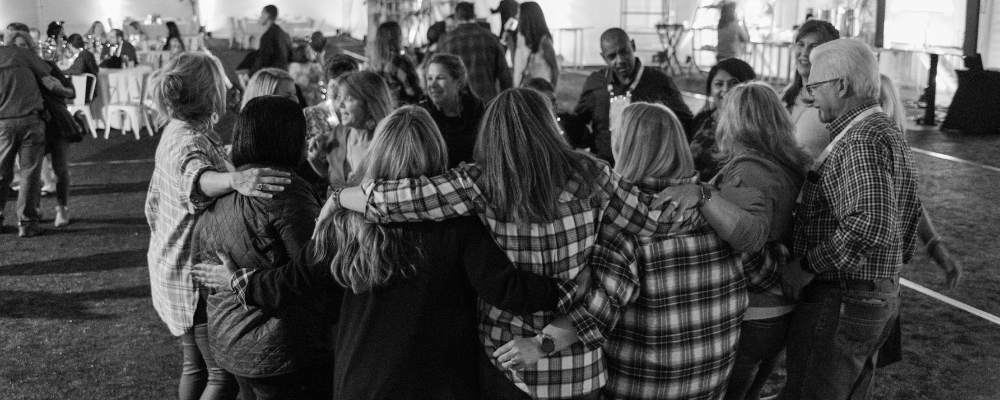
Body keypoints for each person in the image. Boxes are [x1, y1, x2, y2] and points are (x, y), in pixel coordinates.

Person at [328, 88, 758, 399]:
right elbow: (654, 222)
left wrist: (341, 196)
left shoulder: (479, 183)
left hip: (505, 362)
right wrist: (700, 194)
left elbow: (403, 201)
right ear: (550, 126)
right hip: (579, 370)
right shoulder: (594, 175)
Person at [193, 105, 584, 399]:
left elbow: (298, 278)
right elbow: (508, 290)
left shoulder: (347, 221)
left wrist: (237, 281)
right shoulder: (458, 226)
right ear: (437, 153)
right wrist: (572, 285)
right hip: (435, 384)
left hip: (361, 378)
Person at [493, 101, 766, 400]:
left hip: (642, 386)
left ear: (626, 146)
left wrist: (538, 344)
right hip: (710, 384)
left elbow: (600, 309)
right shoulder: (719, 210)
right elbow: (762, 268)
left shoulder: (627, 226)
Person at [777, 38, 922, 400]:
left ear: (841, 85)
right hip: (874, 294)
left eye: (814, 86)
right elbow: (907, 214)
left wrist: (808, 264)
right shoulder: (884, 130)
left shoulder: (860, 139)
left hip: (844, 297)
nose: (810, 96)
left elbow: (871, 222)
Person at [144, 52, 292, 400]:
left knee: (195, 366)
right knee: (220, 375)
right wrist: (236, 180)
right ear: (208, 91)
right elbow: (197, 177)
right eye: (221, 82)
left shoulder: (183, 131)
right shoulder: (188, 141)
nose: (227, 88)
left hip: (173, 266)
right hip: (192, 277)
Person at [192, 96, 333, 400]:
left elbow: (203, 274)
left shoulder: (221, 190)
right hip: (283, 349)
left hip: (232, 342)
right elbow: (315, 269)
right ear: (288, 137)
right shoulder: (283, 187)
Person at [689, 82, 811, 400]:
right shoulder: (792, 165)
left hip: (754, 309)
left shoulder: (746, 172)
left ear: (733, 122)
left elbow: (740, 244)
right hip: (784, 309)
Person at [572, 28, 694, 166]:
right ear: (603, 57)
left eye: (624, 51)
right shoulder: (596, 83)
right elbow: (578, 122)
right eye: (612, 56)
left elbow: (684, 122)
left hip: (646, 170)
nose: (620, 60)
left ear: (633, 46)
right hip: (606, 170)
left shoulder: (659, 82)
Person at [8, 29, 76, 227]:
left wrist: (58, 88)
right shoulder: (9, 72)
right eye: (15, 47)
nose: (20, 51)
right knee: (30, 174)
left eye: (24, 46)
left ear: (30, 47)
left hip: (55, 120)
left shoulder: (46, 65)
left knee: (60, 169)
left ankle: (62, 207)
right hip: (30, 123)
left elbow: (71, 91)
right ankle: (33, 211)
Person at [0, 31, 60, 237]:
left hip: (3, 124)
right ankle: (27, 223)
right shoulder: (22, 55)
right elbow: (47, 73)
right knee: (29, 173)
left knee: (1, 173)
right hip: (30, 119)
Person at [307, 71, 393, 190]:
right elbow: (336, 183)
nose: (340, 105)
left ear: (369, 103)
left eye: (348, 98)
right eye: (340, 97)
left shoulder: (388, 143)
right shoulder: (338, 134)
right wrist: (314, 161)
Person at [689, 58, 756, 180]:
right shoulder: (702, 119)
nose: (725, 89)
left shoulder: (752, 128)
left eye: (733, 83)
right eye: (719, 84)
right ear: (710, 89)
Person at [780, 19, 839, 159]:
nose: (805, 52)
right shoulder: (787, 94)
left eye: (814, 46)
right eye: (800, 44)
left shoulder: (835, 101)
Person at [418, 53, 485, 167]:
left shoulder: (475, 108)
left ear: (458, 82)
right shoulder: (423, 113)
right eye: (429, 78)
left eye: (440, 78)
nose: (432, 85)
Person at [437, 2, 512, 103]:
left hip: (456, 103)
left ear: (456, 17)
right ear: (474, 15)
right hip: (487, 100)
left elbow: (437, 73)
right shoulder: (490, 38)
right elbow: (505, 76)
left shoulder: (445, 41)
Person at [368, 21, 423, 105]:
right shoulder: (399, 61)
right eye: (400, 34)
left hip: (381, 109)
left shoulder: (374, 62)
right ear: (396, 38)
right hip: (400, 110)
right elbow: (412, 91)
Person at [512, 2, 559, 88]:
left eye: (519, 13)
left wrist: (551, 91)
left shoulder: (544, 42)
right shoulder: (522, 38)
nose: (516, 16)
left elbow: (554, 70)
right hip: (526, 90)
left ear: (527, 16)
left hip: (540, 92)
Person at [251, 5, 293, 75]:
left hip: (273, 76)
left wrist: (250, 74)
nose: (260, 17)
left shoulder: (267, 36)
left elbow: (263, 60)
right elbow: (290, 57)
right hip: (285, 75)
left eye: (262, 14)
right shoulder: (285, 35)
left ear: (267, 15)